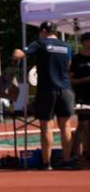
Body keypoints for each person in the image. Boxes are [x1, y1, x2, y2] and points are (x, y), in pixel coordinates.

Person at [13, 21, 75, 170]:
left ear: (42, 31)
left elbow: (20, 54)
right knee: (65, 126)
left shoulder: (40, 43)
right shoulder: (66, 46)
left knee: (47, 127)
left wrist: (16, 51)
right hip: (66, 89)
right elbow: (69, 65)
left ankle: (47, 163)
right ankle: (67, 161)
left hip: (47, 89)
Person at [70, 32, 90, 160]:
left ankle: (88, 152)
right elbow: (71, 80)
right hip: (82, 95)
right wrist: (85, 80)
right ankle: (74, 153)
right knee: (83, 124)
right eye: (87, 40)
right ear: (83, 42)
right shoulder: (76, 59)